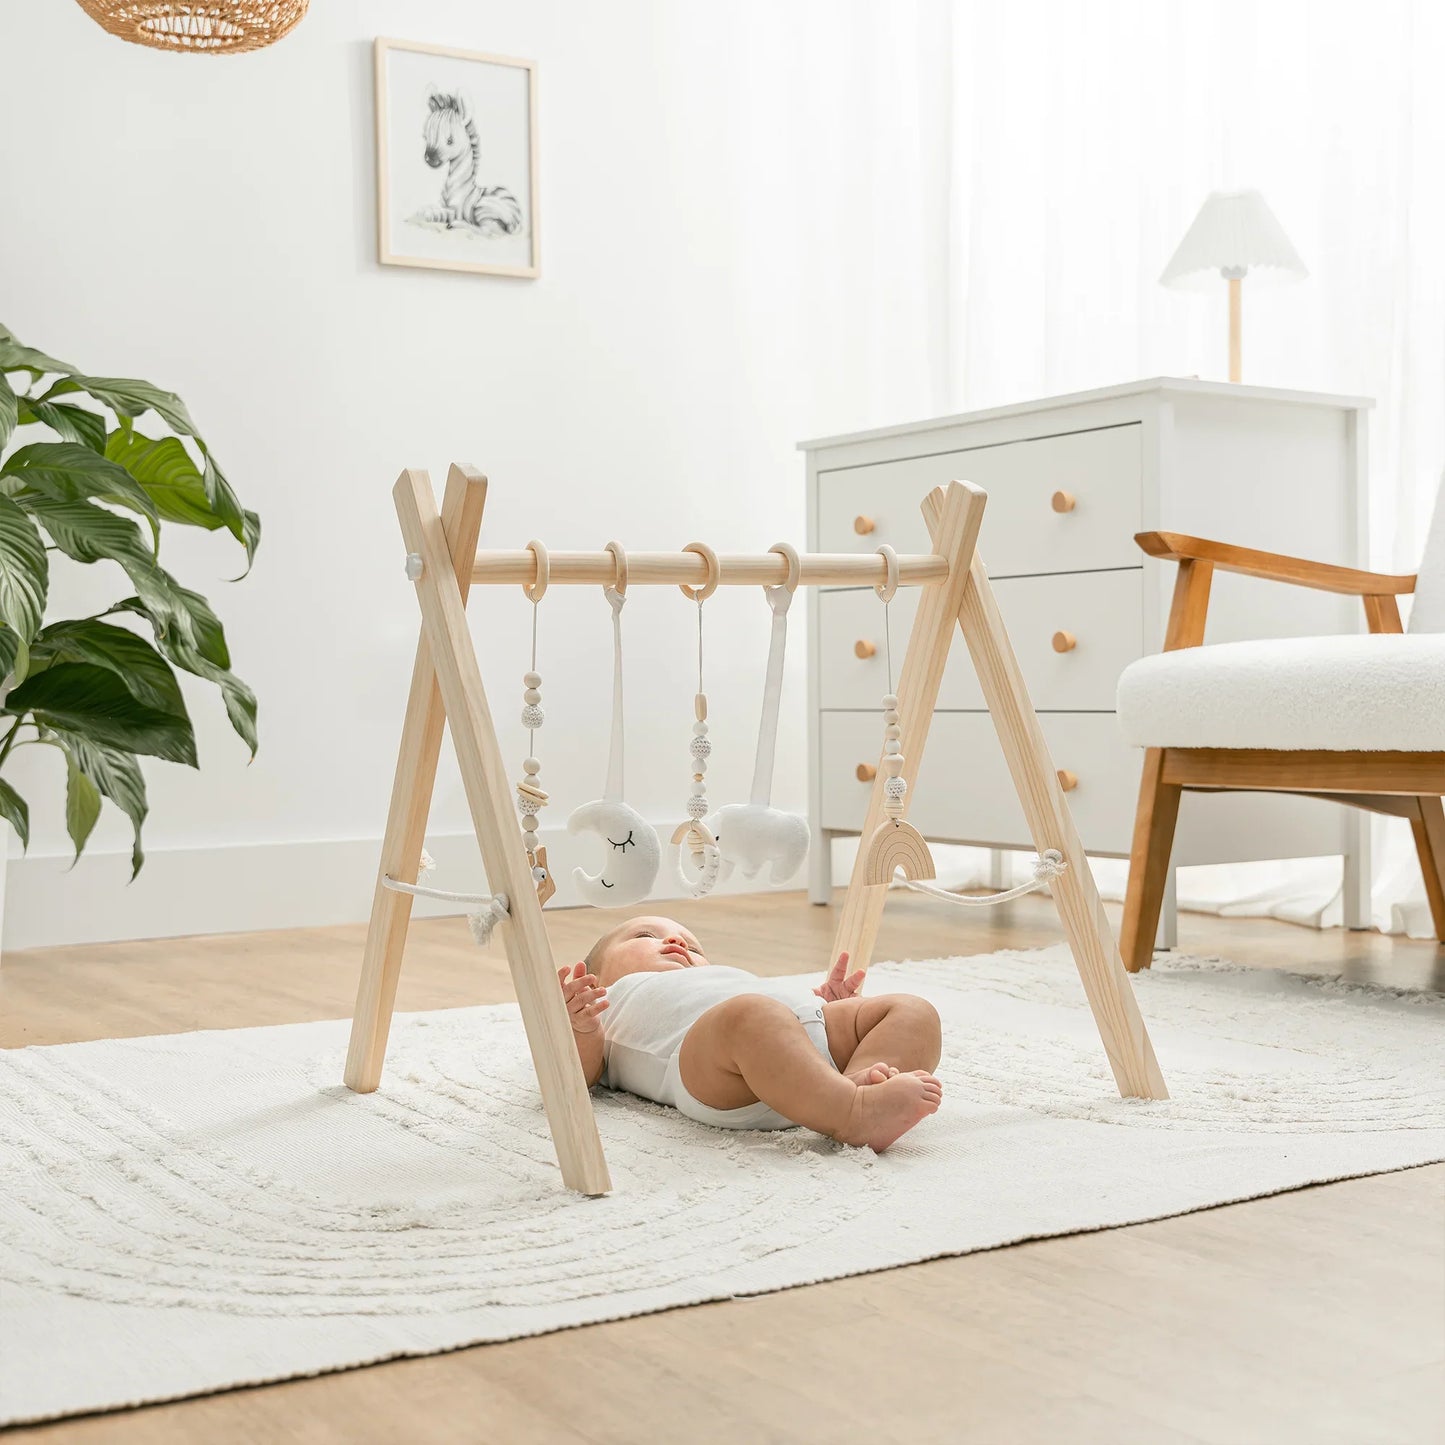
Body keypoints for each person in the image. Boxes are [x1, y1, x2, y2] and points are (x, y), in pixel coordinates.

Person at [556, 914, 943, 1151]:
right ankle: (853, 1112)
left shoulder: (719, 980)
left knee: (913, 1011)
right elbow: (582, 1075)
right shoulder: (609, 1000)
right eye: (645, 936)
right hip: (715, 1070)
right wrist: (580, 1027)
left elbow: (785, 1014)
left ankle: (859, 1080)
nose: (676, 942)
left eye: (692, 945)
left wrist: (838, 1010)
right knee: (750, 1014)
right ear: (598, 975)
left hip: (801, 1036)